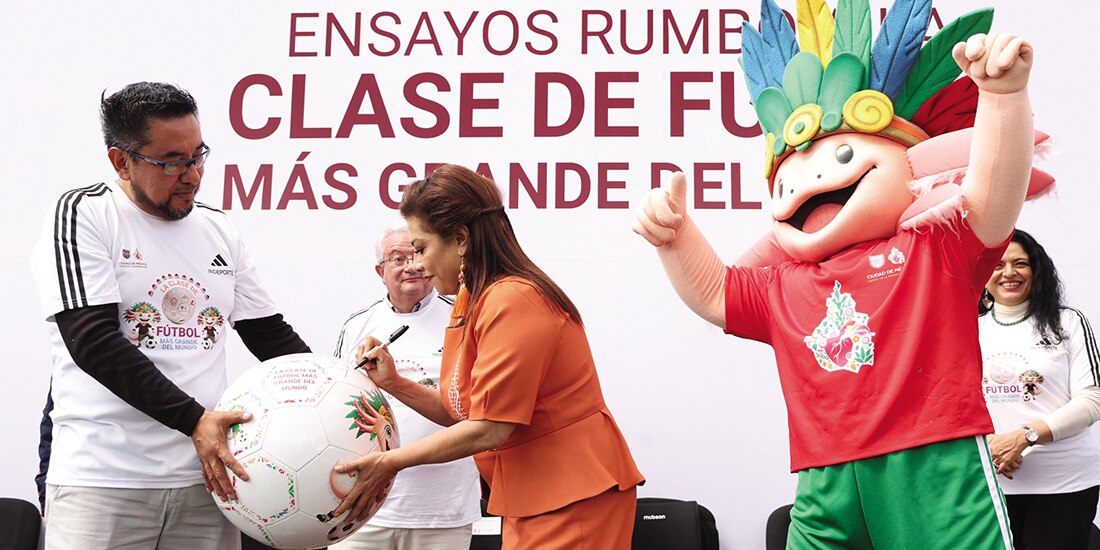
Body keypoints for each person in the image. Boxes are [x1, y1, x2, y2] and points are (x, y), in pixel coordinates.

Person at [633, 0, 1045, 547]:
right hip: (824, 476)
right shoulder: (783, 283)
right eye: (788, 176)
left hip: (933, 463)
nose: (811, 179)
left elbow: (993, 195)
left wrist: (1002, 97)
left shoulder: (933, 246)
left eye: (843, 154)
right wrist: (675, 239)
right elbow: (716, 292)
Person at [30, 82, 311, 549]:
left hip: (210, 482)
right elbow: (92, 343)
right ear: (121, 161)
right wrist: (195, 420)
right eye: (171, 162)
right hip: (104, 482)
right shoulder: (85, 215)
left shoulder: (218, 227)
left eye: (199, 155)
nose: (193, 175)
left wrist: (342, 383)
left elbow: (269, 336)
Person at [329, 164, 644, 549]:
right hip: (533, 496)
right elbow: (463, 411)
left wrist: (390, 462)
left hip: (573, 493)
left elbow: (491, 427)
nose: (420, 265)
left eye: (422, 248)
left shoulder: (514, 299)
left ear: (461, 239)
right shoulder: (472, 300)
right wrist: (393, 383)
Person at [330, 224, 481, 549]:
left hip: (442, 510)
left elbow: (474, 412)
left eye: (416, 255)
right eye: (398, 259)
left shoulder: (464, 317)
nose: (410, 266)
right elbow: (334, 407)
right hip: (364, 507)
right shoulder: (359, 325)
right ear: (380, 271)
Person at [979, 229, 1100, 549]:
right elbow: (949, 402)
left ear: (1037, 270)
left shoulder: (1067, 323)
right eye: (997, 264)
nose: (1008, 273)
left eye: (1020, 263)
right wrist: (987, 443)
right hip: (987, 485)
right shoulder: (966, 328)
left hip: (1065, 484)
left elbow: (1093, 398)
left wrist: (1024, 436)